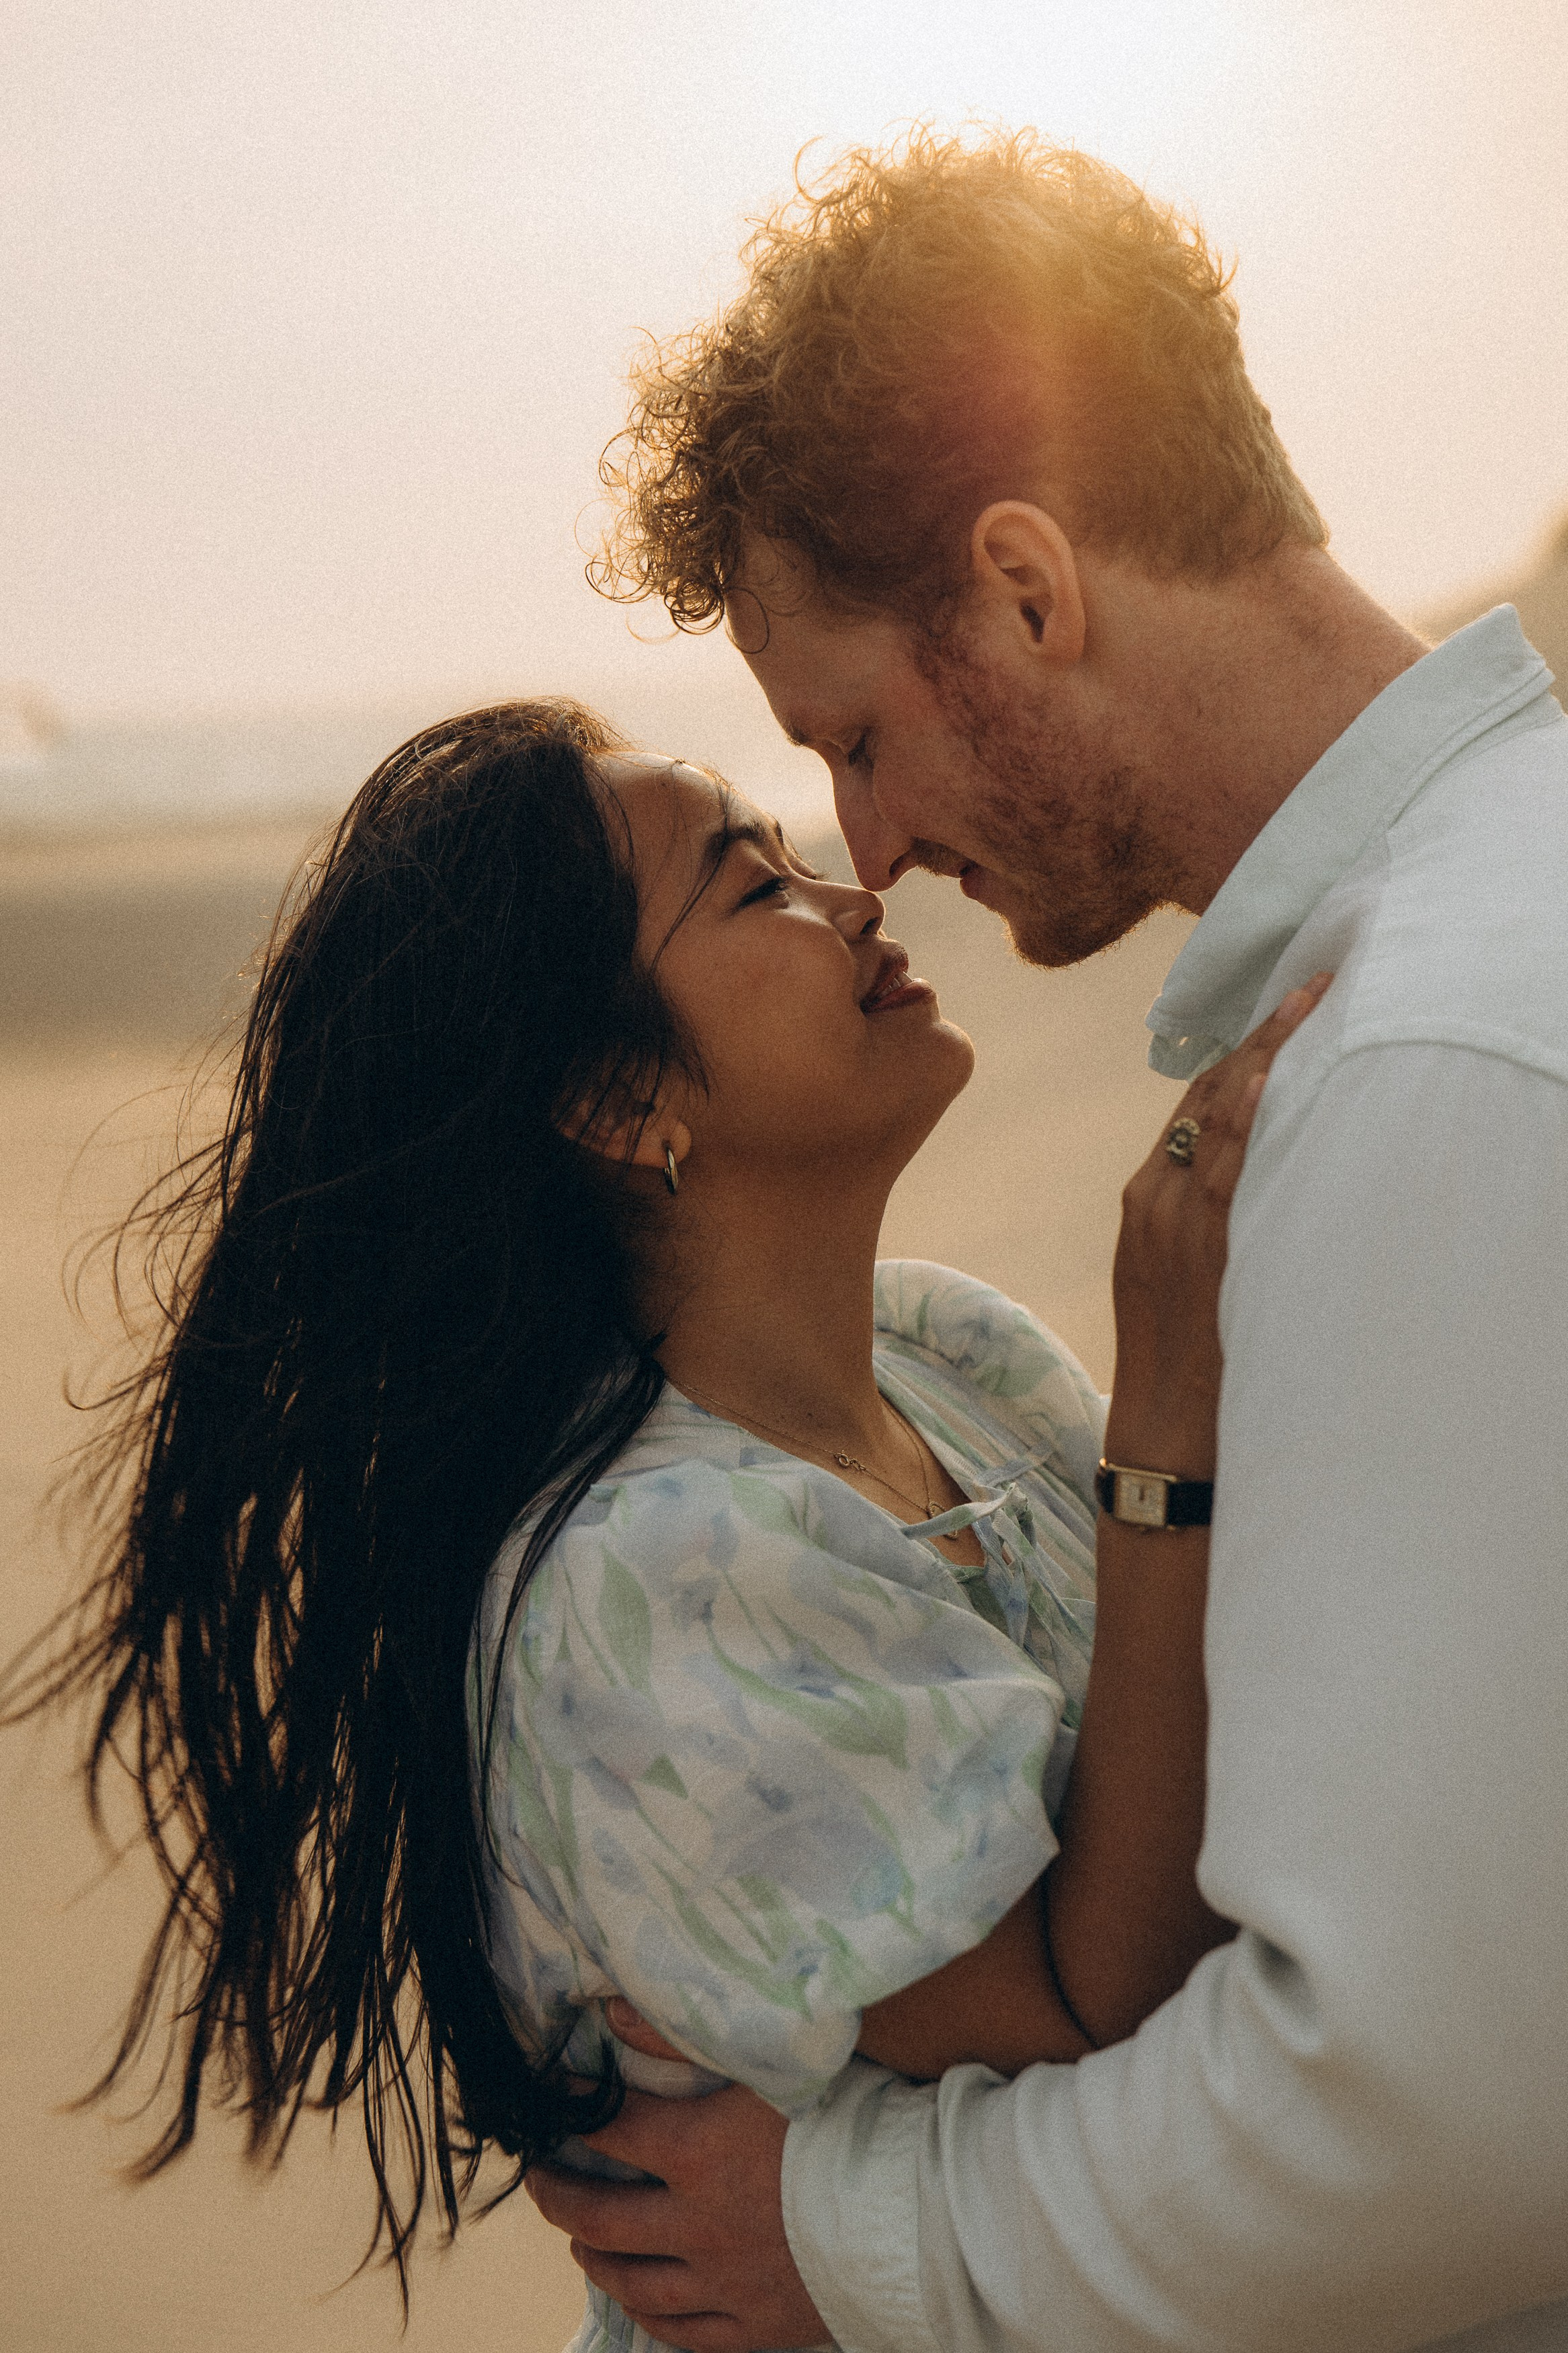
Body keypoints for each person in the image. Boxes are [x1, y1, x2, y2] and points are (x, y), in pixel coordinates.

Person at [531, 130, 1568, 2350]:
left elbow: (1430, 2108)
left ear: (1024, 586)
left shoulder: (1426, 1066)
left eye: (858, 738)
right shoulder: (1490, 937)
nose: (871, 848)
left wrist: (855, 2238)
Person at [2, 696, 1316, 2346]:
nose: (854, 894)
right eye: (756, 884)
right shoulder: (654, 1579)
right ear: (619, 1100)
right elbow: (1098, 2007)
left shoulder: (944, 1346)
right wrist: (1172, 1418)